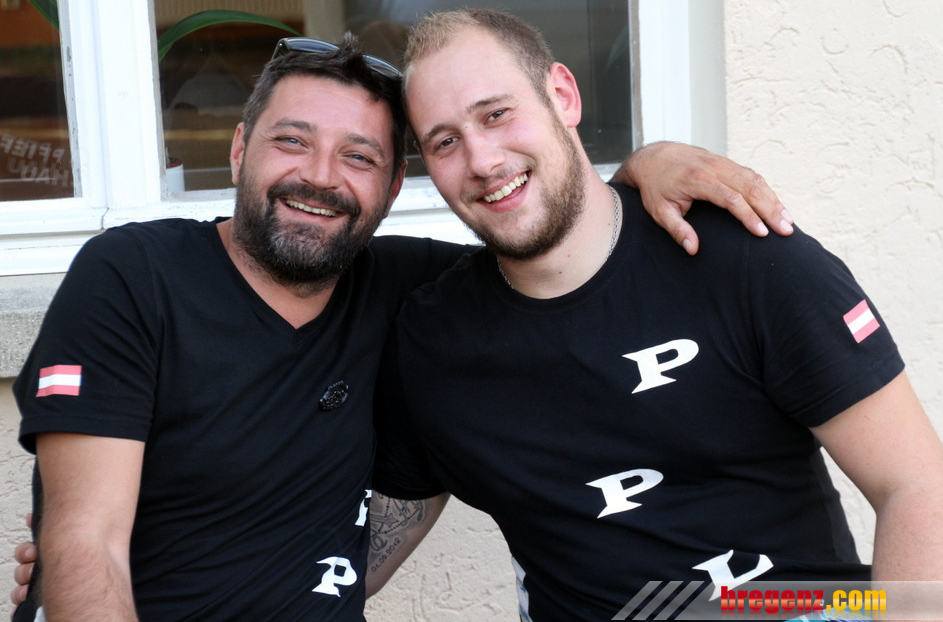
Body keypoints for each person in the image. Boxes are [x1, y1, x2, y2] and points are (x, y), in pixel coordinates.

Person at [9, 32, 793, 620]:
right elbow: (83, 541)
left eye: (359, 157)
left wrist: (644, 166)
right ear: (241, 149)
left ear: (390, 191)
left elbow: (562, 242)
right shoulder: (135, 275)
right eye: (292, 140)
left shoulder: (415, 291)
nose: (320, 176)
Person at [367, 9, 943, 620]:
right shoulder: (434, 343)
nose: (482, 159)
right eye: (445, 142)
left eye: (497, 114)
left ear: (563, 96)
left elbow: (915, 488)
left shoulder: (745, 263)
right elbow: (352, 563)